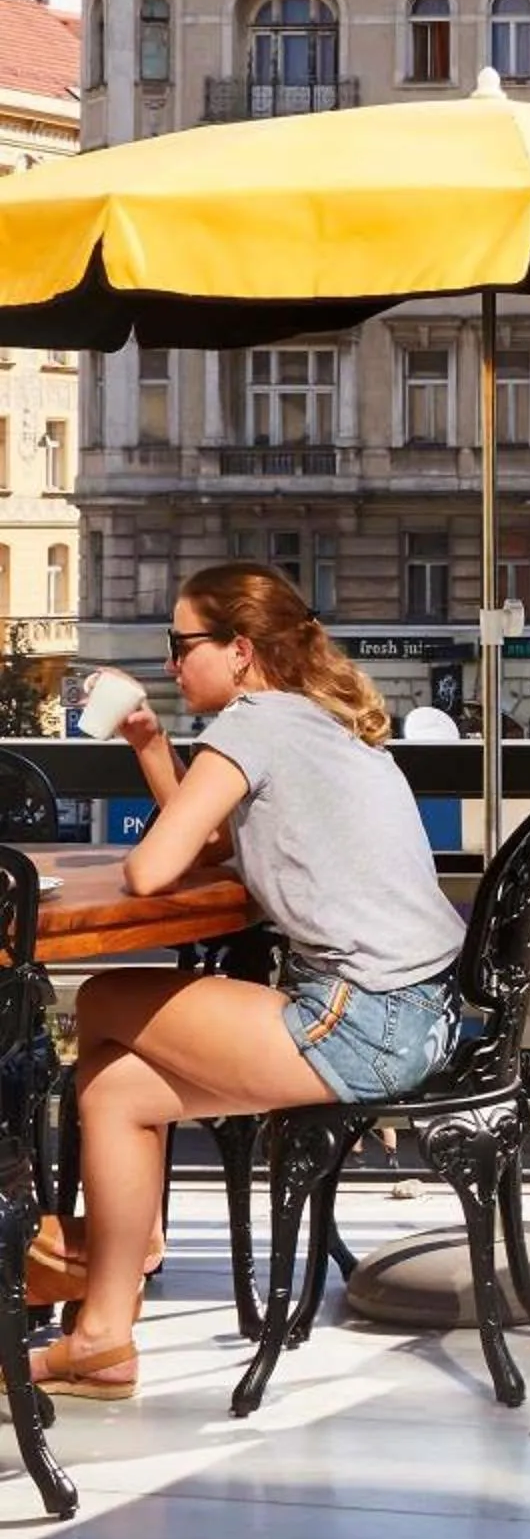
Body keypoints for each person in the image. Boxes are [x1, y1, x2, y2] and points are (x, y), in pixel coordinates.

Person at [30, 563, 468, 1398]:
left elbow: (155, 870)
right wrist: (152, 745)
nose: (169, 664)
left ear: (238, 652)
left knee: (102, 999)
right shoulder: (311, 720)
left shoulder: (256, 725)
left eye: (179, 644)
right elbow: (217, 846)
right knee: (117, 1089)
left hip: (360, 1021)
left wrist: (158, 785)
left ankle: (123, 1245)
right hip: (419, 1013)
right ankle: (102, 1336)